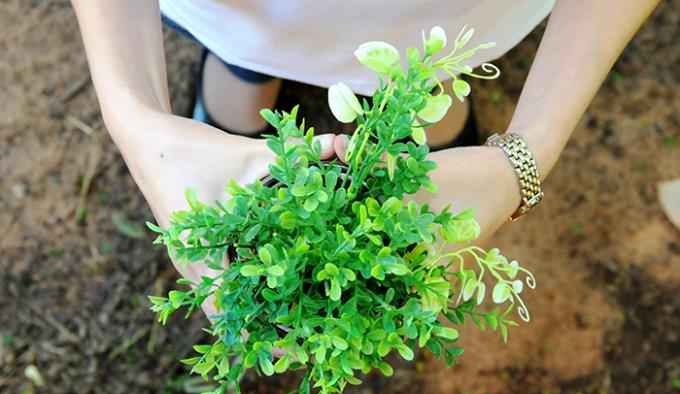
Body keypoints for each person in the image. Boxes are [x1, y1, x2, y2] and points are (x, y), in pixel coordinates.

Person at [71, 0, 659, 318]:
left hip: (454, 13)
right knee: (241, 45)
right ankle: (246, 69)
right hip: (241, 9)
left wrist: (527, 154)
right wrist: (137, 126)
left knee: (431, 75)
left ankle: (424, 95)